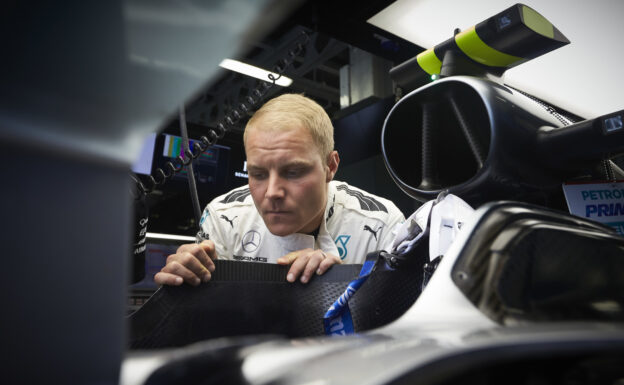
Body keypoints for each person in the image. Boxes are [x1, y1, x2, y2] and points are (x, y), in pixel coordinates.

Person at [154, 94, 405, 287]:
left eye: (293, 172)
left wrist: (341, 285)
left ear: (330, 166)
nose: (272, 192)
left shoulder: (380, 224)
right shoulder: (224, 218)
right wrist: (184, 287)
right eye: (259, 174)